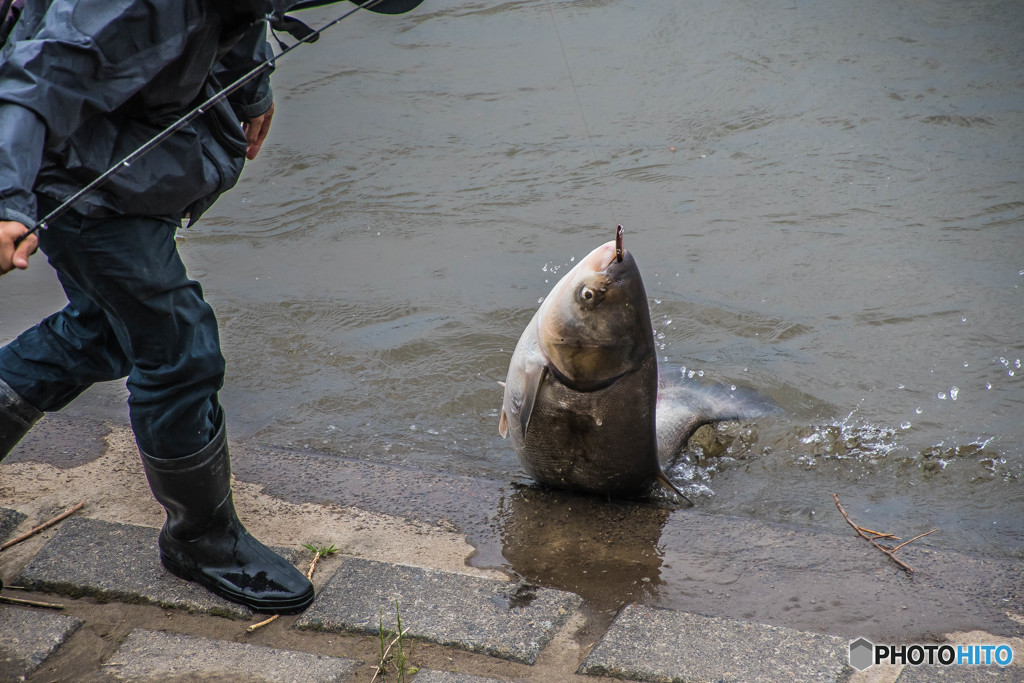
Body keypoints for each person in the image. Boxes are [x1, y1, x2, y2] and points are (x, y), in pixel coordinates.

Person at [0, 0, 313, 612]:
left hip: (126, 151)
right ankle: (201, 539)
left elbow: (241, 17)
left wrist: (250, 89)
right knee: (179, 349)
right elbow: (32, 82)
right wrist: (7, 203)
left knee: (104, 330)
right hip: (72, 174)